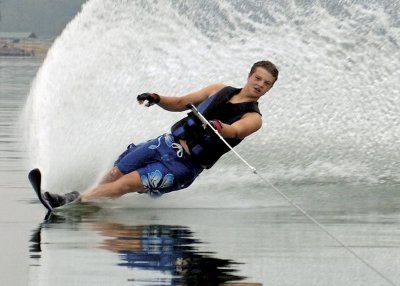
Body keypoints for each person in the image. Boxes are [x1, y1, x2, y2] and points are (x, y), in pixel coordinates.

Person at [44, 60, 279, 208]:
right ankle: (88, 201)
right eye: (257, 78)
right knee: (115, 173)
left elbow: (236, 130)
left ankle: (69, 201)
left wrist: (219, 126)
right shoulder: (218, 90)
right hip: (165, 144)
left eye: (266, 83)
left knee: (126, 183)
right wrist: (156, 99)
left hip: (184, 166)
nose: (260, 84)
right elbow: (179, 103)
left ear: (270, 88)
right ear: (249, 76)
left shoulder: (253, 118)